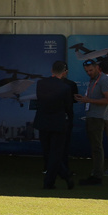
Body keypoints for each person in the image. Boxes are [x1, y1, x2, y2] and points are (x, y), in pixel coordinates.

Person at [35, 60, 77, 189]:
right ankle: (61, 177)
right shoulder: (65, 88)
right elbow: (68, 107)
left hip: (43, 122)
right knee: (56, 154)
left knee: (48, 153)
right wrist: (70, 120)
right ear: (64, 72)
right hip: (58, 123)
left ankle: (53, 181)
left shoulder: (40, 83)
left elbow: (40, 101)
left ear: (52, 70)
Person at [75, 57, 108, 184]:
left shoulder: (104, 80)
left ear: (98, 68)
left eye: (90, 70)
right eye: (87, 71)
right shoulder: (94, 79)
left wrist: (89, 100)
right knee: (95, 146)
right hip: (92, 115)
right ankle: (96, 173)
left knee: (97, 147)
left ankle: (97, 176)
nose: (89, 73)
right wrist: (84, 98)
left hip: (98, 117)